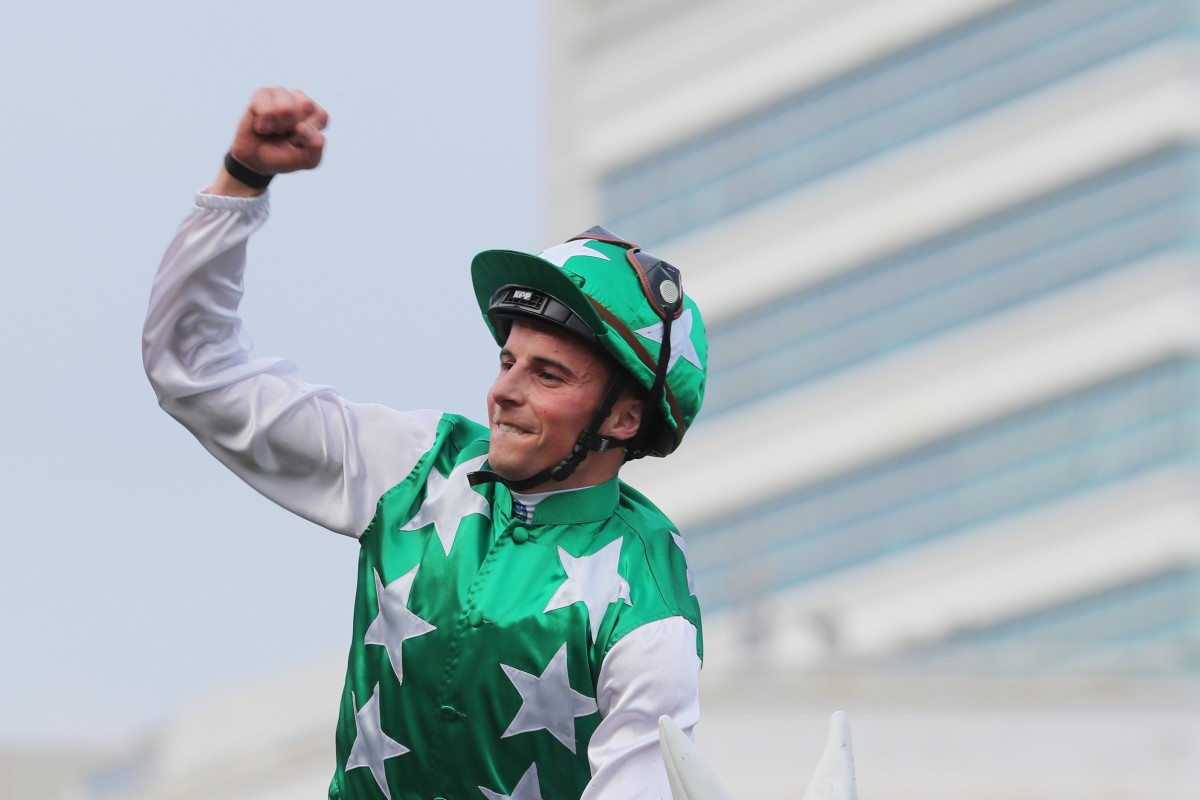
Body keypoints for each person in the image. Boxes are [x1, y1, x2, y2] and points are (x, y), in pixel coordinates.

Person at [143, 87, 709, 800]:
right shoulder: (418, 465)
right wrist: (242, 180)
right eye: (507, 361)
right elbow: (195, 375)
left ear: (623, 420)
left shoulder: (646, 591)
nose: (503, 392)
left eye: (548, 374)